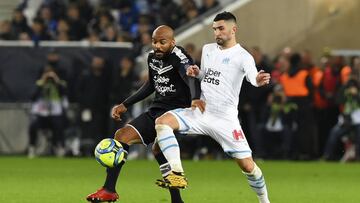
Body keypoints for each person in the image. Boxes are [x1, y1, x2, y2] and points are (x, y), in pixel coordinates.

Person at [154, 12, 271, 203]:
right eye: (214, 29)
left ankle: (264, 201)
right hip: (201, 111)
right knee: (162, 122)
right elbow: (207, 76)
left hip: (225, 119)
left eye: (221, 28)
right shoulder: (208, 49)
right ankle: (176, 172)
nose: (216, 32)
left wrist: (258, 80)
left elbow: (252, 78)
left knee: (248, 167)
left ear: (234, 29)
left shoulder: (243, 56)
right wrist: (197, 72)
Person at [86, 25, 204, 203]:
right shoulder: (152, 57)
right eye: (154, 41)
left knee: (158, 149)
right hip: (157, 109)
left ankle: (176, 200)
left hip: (177, 113)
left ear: (172, 42)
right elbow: (151, 85)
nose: (157, 46)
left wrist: (195, 98)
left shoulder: (179, 56)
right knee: (122, 135)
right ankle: (109, 190)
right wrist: (126, 104)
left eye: (162, 42)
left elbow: (190, 76)